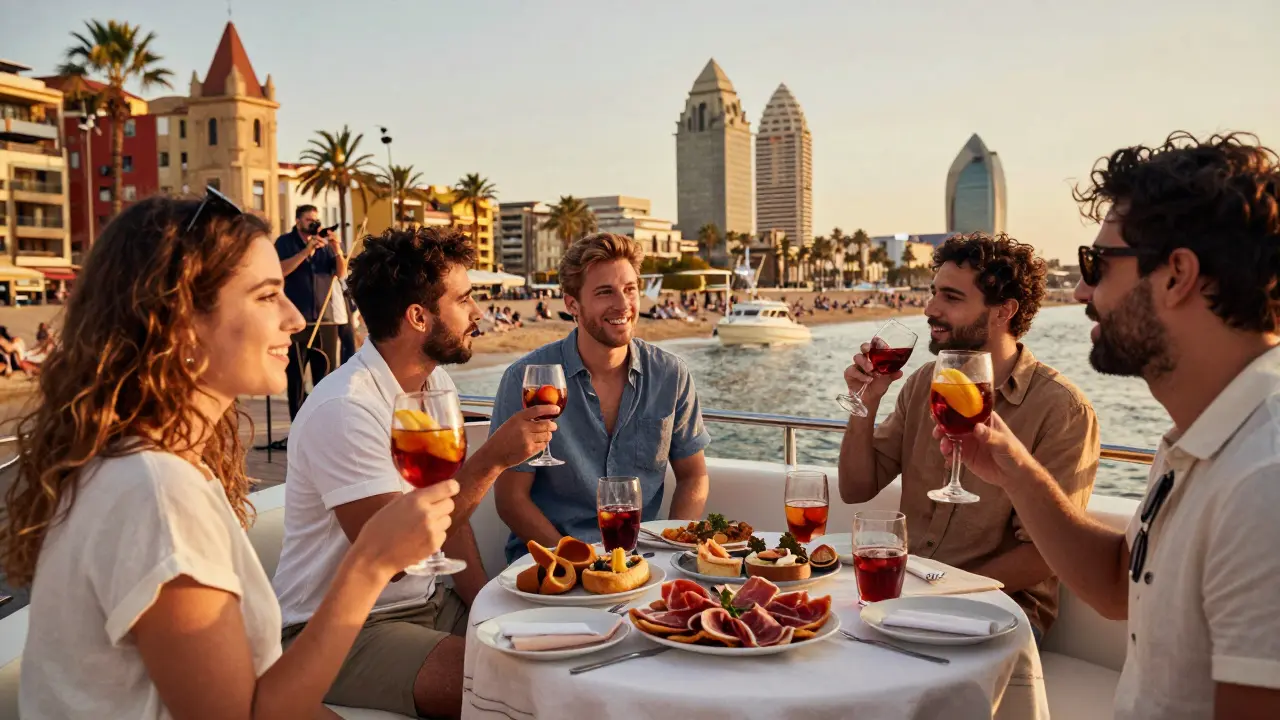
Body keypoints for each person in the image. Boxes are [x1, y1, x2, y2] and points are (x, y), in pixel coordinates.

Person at [5, 194, 458, 718]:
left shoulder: (163, 468)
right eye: (267, 296)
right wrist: (368, 564)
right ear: (179, 322)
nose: (293, 316)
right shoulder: (154, 493)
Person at [935, 133, 1280, 719]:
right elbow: (1121, 586)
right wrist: (1013, 467)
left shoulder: (1262, 480)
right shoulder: (1208, 440)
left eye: (1098, 265)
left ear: (1177, 275)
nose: (1082, 290)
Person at [272, 226, 560, 719]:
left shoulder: (433, 383)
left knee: (563, 649)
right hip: (342, 630)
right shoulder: (346, 408)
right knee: (514, 684)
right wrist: (491, 458)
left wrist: (485, 607)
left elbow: (454, 522)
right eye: (465, 299)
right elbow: (397, 557)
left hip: (430, 604)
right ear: (418, 316)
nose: (478, 313)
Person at [837, 232, 1100, 641]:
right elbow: (855, 489)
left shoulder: (1062, 410)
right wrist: (866, 402)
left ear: (1004, 311)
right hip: (908, 595)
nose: (929, 309)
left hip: (1000, 607)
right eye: (932, 293)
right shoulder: (924, 382)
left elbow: (1045, 555)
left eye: (951, 298)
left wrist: (943, 590)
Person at [491, 232, 711, 563]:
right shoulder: (526, 380)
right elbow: (510, 498)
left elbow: (694, 475)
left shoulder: (671, 375)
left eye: (630, 289)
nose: (623, 305)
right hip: (552, 562)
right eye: (605, 292)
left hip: (640, 563)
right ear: (572, 305)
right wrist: (576, 561)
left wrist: (674, 550)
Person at [277, 204, 346, 421]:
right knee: (296, 378)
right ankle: (298, 427)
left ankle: (324, 425)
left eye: (316, 219)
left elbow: (341, 273)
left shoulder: (324, 245)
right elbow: (280, 270)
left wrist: (337, 250)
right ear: (298, 221)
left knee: (326, 378)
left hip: (325, 322)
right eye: (309, 219)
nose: (314, 223)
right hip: (298, 322)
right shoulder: (285, 242)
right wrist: (306, 252)